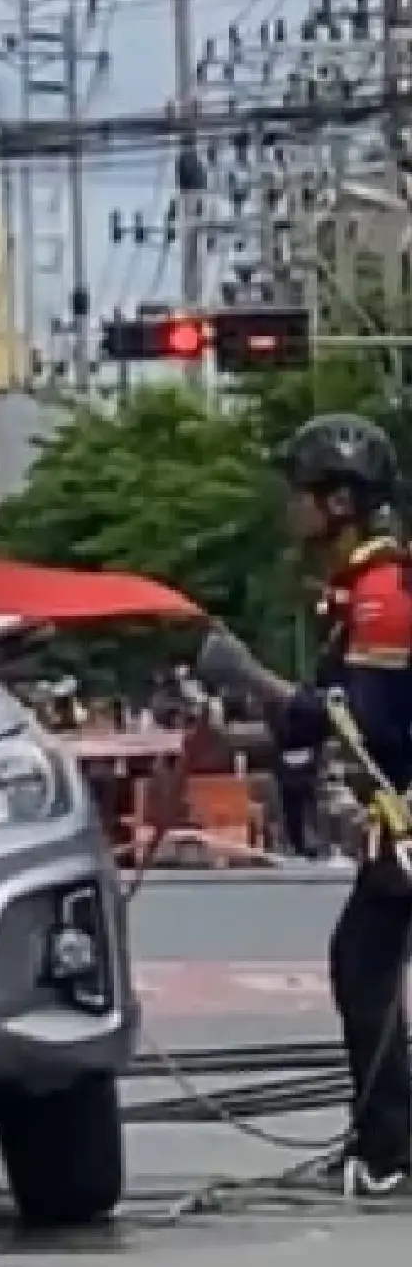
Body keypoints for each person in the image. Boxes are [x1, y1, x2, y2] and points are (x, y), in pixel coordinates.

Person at [197, 411, 412, 1197]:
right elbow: (314, 718)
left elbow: (359, 723)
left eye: (302, 491)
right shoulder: (359, 590)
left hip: (404, 814)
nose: (290, 506)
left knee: (364, 962)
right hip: (396, 813)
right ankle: (387, 1140)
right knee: (365, 960)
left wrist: (244, 670)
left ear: (341, 502)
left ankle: (389, 1150)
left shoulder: (382, 596)